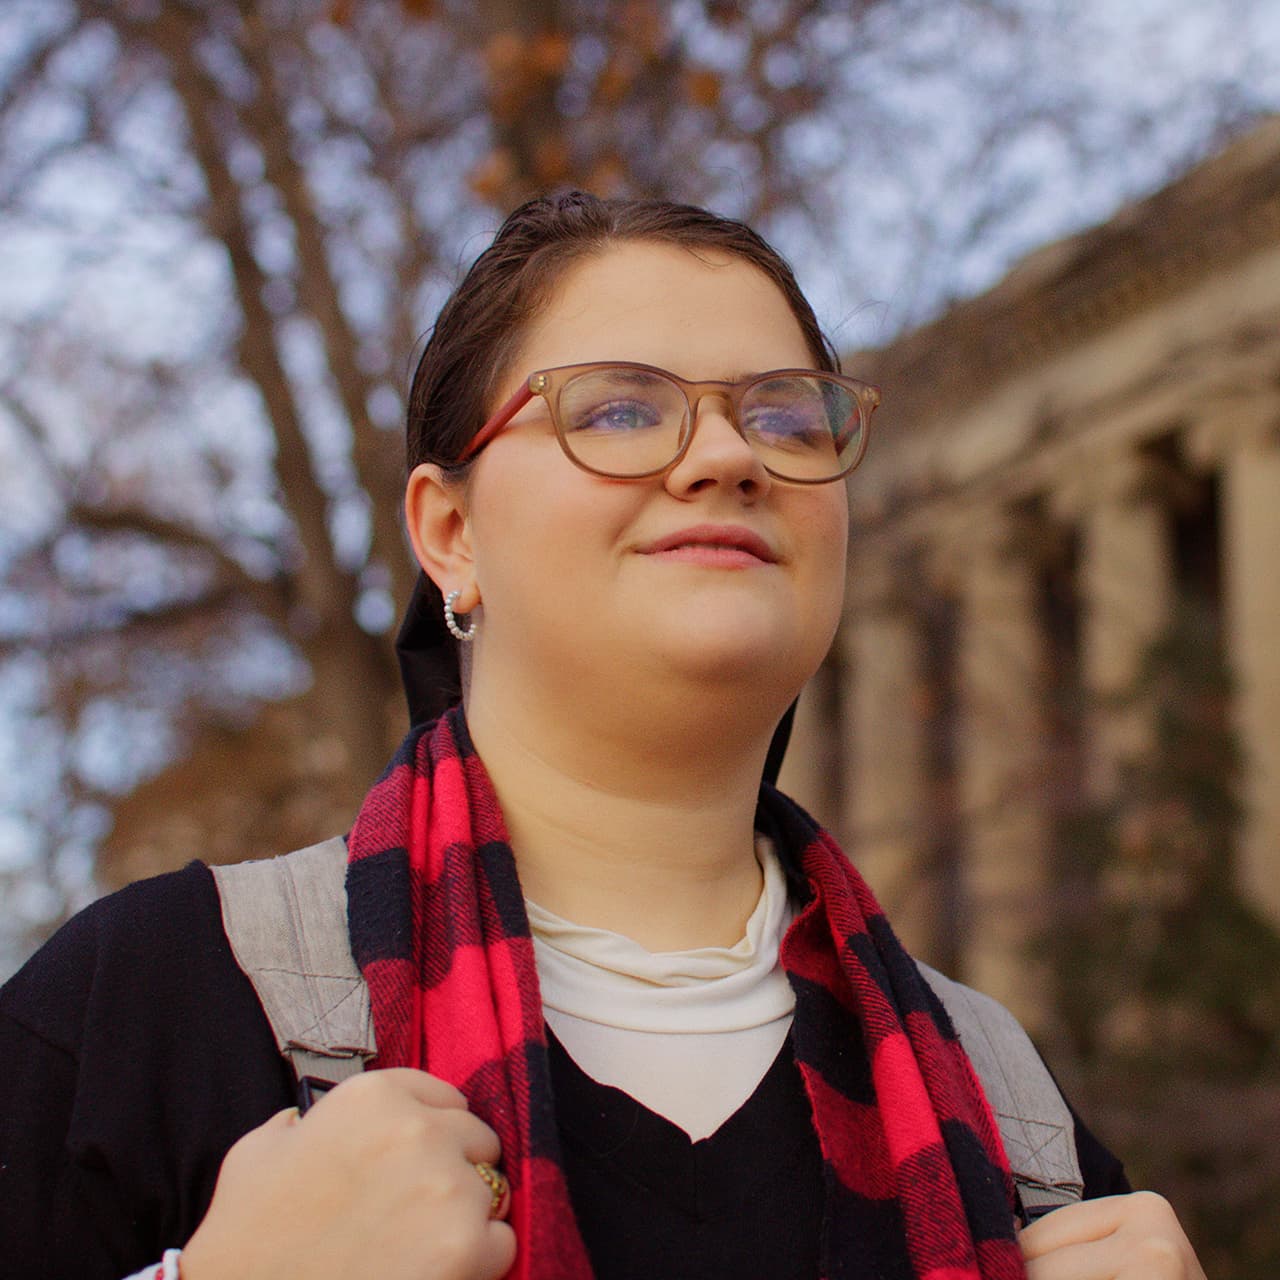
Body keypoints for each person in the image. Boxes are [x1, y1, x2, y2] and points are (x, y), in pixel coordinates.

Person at [0, 192, 1207, 1280]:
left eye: (785, 417)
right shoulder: (158, 999)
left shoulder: (1011, 1125)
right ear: (449, 533)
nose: (728, 455)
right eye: (620, 408)